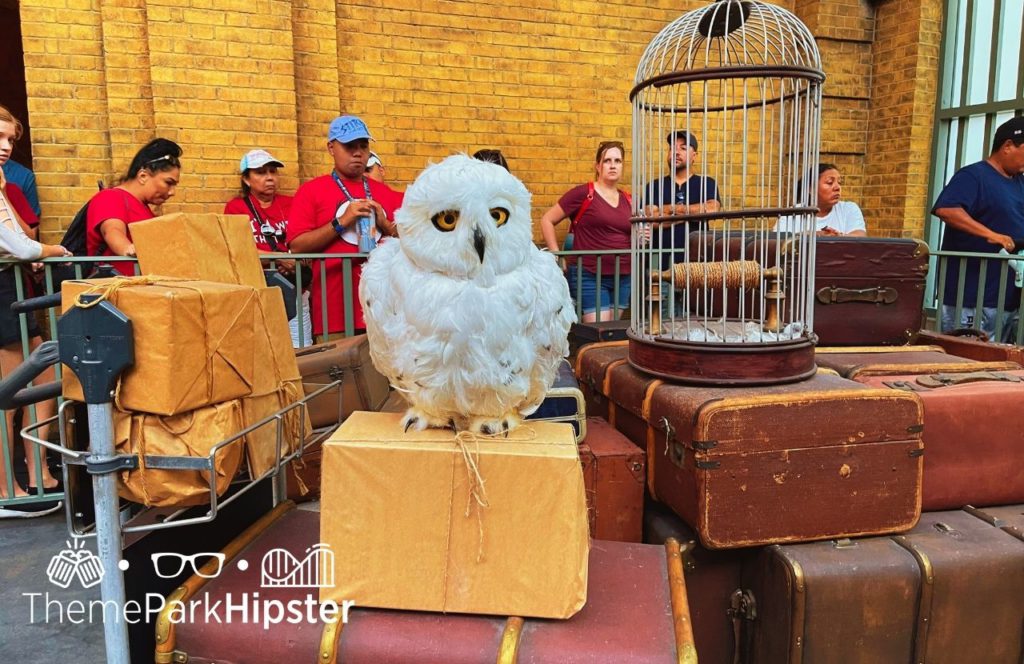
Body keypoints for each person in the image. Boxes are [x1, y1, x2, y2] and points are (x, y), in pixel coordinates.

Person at [0, 105, 71, 515]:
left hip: (11, 286)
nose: (6, 147)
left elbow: (21, 236)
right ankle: (8, 488)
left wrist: (5, 188)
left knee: (41, 375)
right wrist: (55, 250)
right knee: (8, 391)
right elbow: (24, 246)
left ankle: (38, 472)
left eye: (11, 140)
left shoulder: (4, 182)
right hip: (1, 290)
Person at [287, 115, 403, 339]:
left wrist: (385, 225)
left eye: (363, 146)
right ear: (331, 148)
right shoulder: (311, 191)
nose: (358, 152)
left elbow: (416, 241)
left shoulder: (386, 193)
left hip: (386, 311)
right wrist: (340, 223)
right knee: (339, 371)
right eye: (349, 146)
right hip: (334, 311)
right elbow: (297, 245)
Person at [932, 116, 1024, 341]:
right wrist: (992, 235)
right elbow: (947, 209)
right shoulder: (974, 176)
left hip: (1008, 295)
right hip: (971, 294)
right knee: (968, 356)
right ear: (1007, 146)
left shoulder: (1019, 182)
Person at [224, 149, 313, 347]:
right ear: (247, 180)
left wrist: (294, 260)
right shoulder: (236, 208)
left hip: (295, 288)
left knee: (300, 349)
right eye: (261, 173)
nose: (269, 177)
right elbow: (239, 250)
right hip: (258, 291)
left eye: (273, 171)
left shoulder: (292, 203)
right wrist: (279, 258)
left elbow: (306, 242)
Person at [540, 140, 631, 322]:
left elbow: (633, 233)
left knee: (612, 329)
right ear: (598, 166)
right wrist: (557, 255)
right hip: (590, 274)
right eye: (607, 161)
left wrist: (643, 236)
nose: (613, 165)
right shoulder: (584, 194)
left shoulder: (628, 199)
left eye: (618, 161)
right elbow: (547, 220)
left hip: (624, 275)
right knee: (599, 329)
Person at [86, 138, 182, 275]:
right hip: (114, 289)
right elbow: (113, 231)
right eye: (168, 183)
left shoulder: (143, 207)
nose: (172, 192)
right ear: (143, 176)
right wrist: (129, 248)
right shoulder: (110, 197)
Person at [775, 163, 867, 236]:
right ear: (810, 188)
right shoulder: (790, 215)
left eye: (839, 182)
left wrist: (839, 237)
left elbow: (859, 236)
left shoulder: (849, 209)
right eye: (830, 182)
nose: (837, 187)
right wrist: (814, 236)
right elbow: (777, 243)